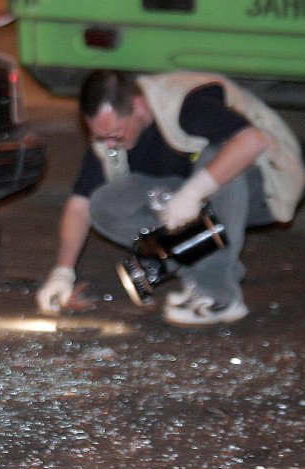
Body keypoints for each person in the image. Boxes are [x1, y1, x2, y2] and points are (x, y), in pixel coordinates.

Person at [35, 69, 303, 326]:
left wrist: (193, 193)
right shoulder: (110, 138)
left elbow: (251, 142)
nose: (109, 145)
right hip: (193, 193)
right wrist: (62, 272)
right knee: (103, 203)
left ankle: (219, 297)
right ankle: (196, 273)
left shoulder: (187, 101)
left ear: (138, 108)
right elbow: (80, 204)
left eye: (114, 135)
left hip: (266, 184)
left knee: (219, 154)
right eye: (100, 137)